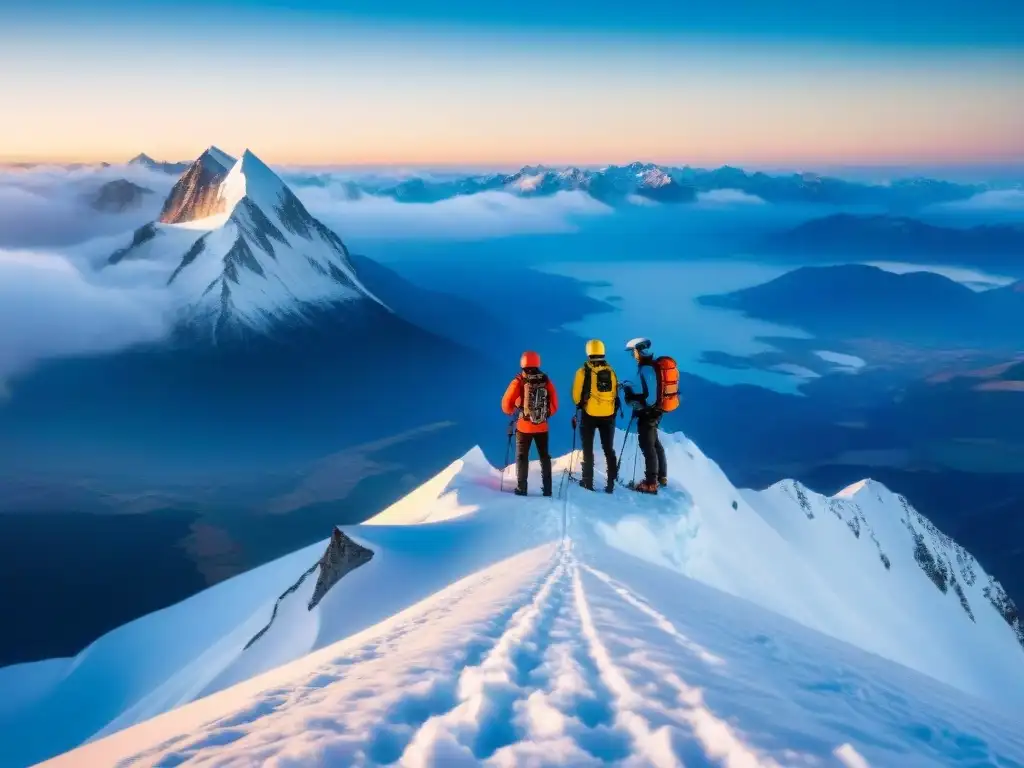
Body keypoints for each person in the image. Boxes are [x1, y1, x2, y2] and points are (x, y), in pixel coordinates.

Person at [622, 337, 678, 494]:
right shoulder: (652, 366)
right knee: (655, 443)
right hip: (657, 411)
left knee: (647, 446)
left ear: (637, 351)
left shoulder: (646, 369)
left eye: (632, 352)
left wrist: (632, 398)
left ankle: (651, 482)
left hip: (649, 413)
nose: (632, 356)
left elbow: (649, 398)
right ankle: (661, 477)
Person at [501, 350, 559, 496]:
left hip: (523, 427)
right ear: (537, 362)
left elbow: (506, 405)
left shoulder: (519, 380)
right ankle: (547, 489)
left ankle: (522, 488)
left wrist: (516, 411)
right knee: (544, 457)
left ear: (522, 363)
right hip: (542, 426)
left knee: (522, 457)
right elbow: (555, 405)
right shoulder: (545, 380)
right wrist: (542, 415)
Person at [571, 339, 619, 493]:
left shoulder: (583, 371)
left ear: (588, 352)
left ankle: (587, 481)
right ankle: (611, 483)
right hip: (609, 415)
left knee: (588, 448)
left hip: (589, 415)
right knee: (608, 449)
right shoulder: (611, 371)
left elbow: (576, 397)